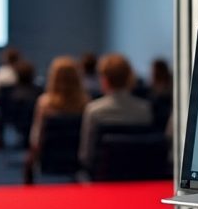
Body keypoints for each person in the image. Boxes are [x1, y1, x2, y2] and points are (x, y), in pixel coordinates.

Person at [77, 54, 153, 170]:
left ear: (105, 79)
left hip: (102, 180)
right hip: (137, 177)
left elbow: (86, 156)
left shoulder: (93, 110)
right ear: (129, 77)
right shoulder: (145, 109)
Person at [23, 56, 89, 184]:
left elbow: (36, 138)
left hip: (49, 160)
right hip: (77, 160)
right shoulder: (86, 103)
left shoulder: (44, 103)